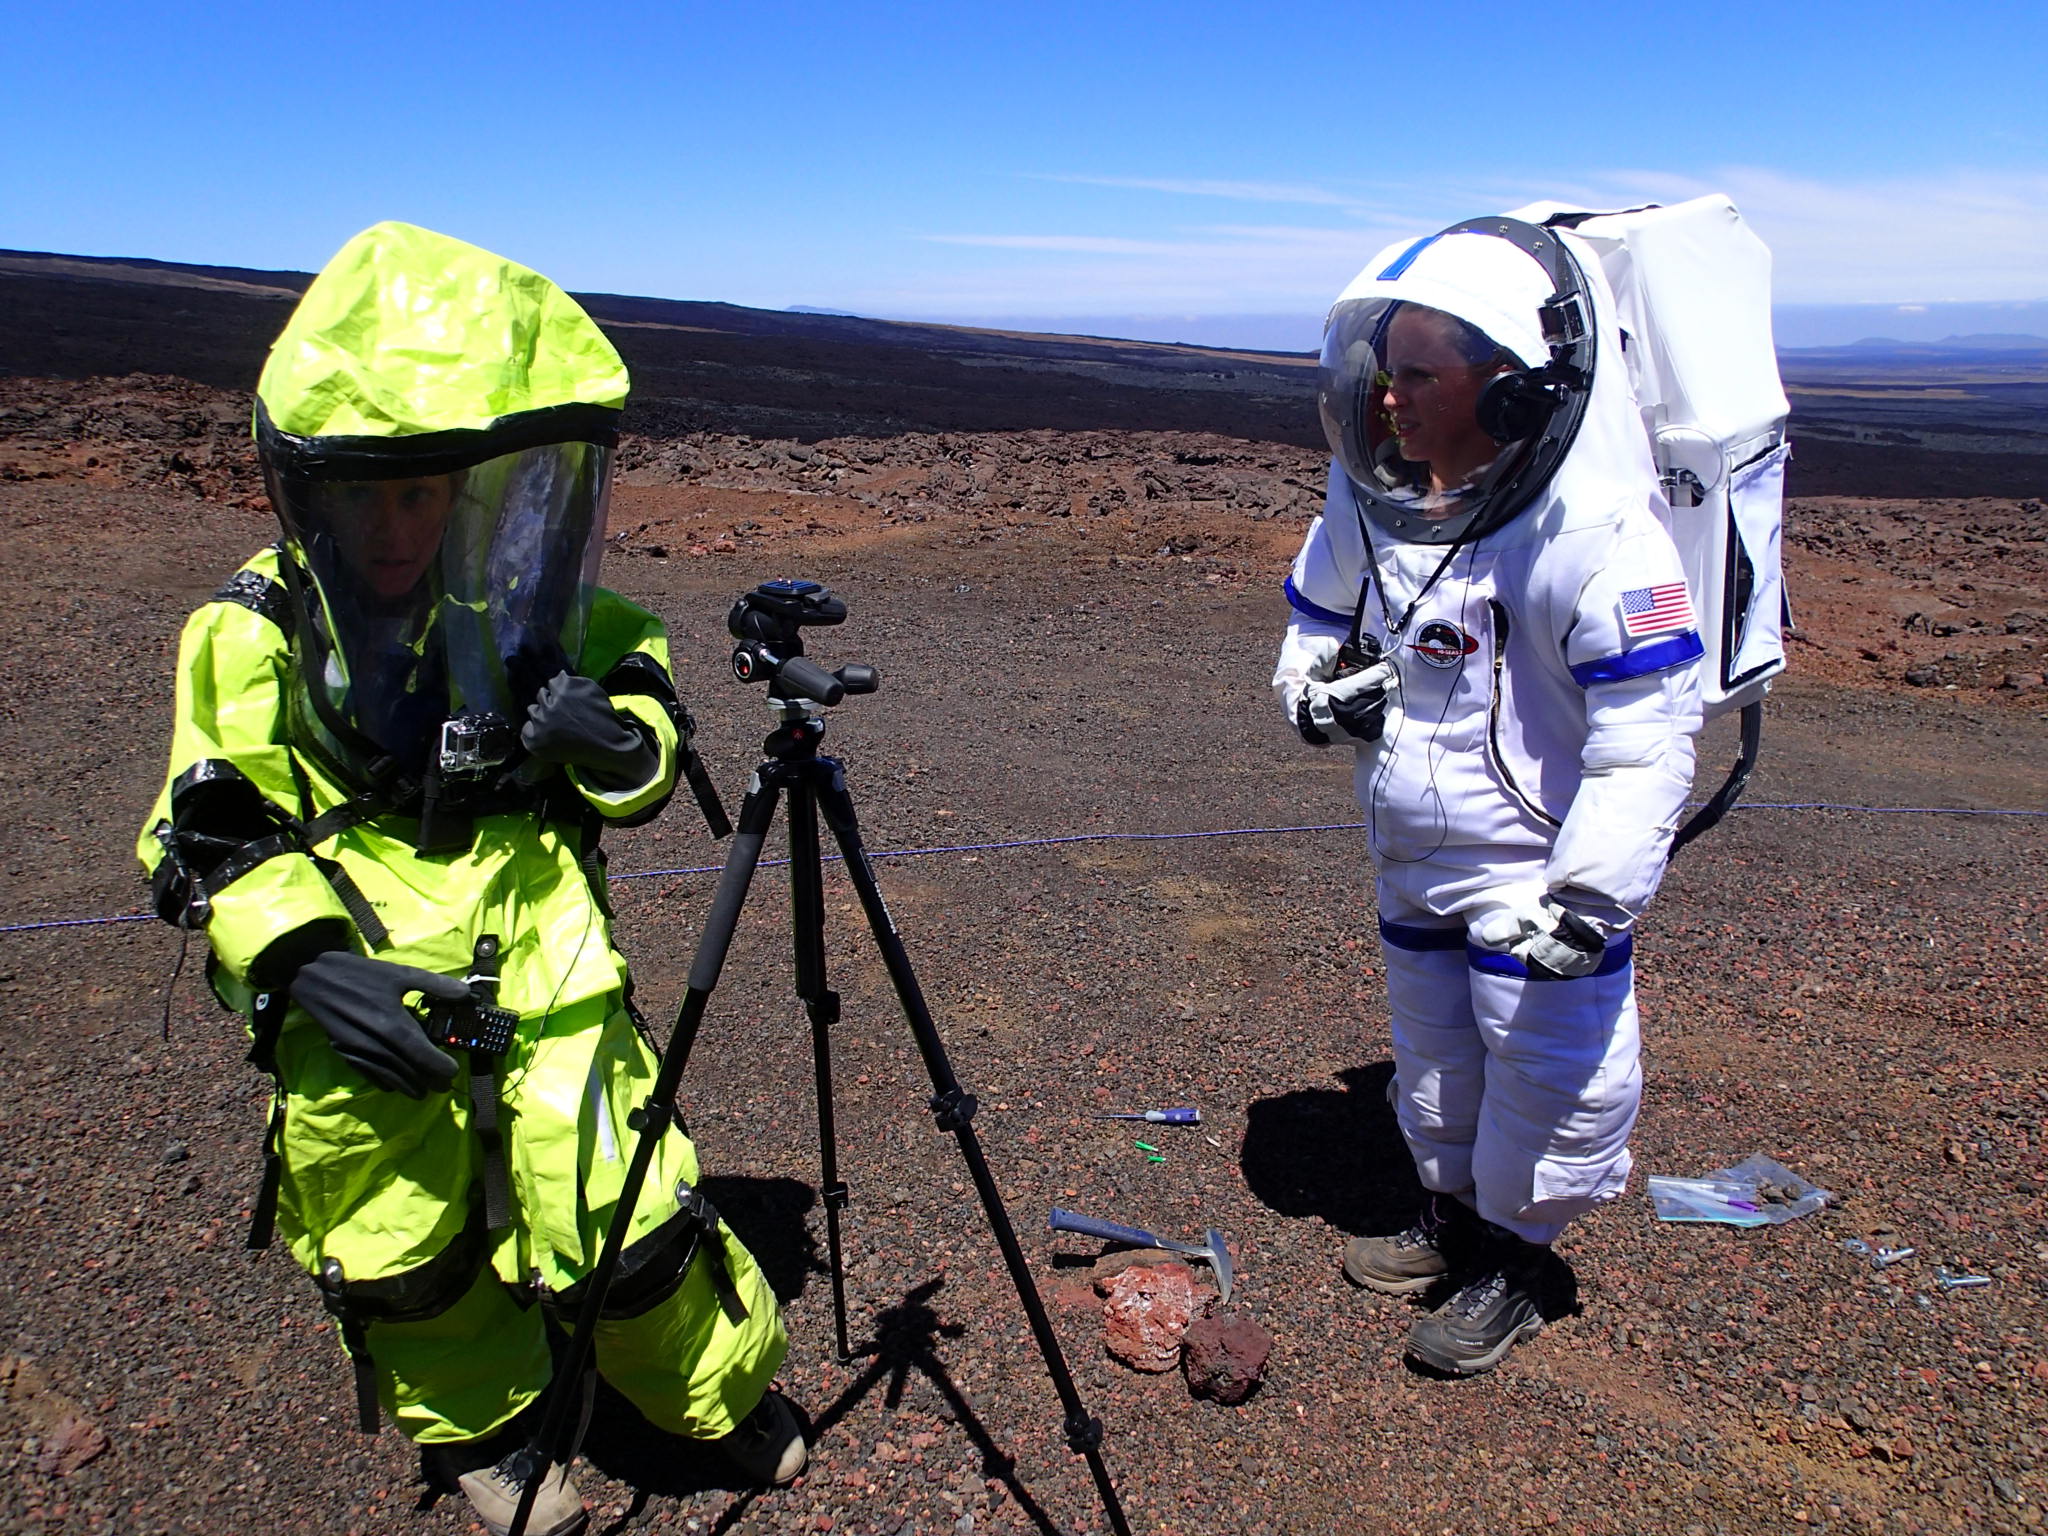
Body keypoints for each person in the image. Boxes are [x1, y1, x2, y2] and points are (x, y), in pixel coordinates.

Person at [139, 222, 804, 1535]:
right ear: (307, 491)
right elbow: (212, 819)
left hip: (536, 939)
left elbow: (641, 716)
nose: (395, 525)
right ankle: (495, 1436)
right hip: (366, 964)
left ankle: (707, 1398)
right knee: (398, 1238)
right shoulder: (254, 631)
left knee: (618, 1190)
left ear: (466, 493)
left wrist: (618, 745)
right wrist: (306, 962)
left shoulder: (517, 614)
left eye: (423, 492)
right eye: (368, 494)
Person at [1274, 217, 1704, 1375]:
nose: (1389, 403)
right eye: (1381, 375)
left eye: (1416, 377)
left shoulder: (1597, 538)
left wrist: (1591, 896)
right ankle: (1451, 1211)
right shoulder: (1375, 504)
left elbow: (1646, 737)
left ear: (1510, 394)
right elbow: (1312, 626)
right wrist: (1317, 697)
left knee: (1544, 1062)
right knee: (1431, 1054)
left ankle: (1520, 1256)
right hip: (1409, 840)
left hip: (1531, 861)